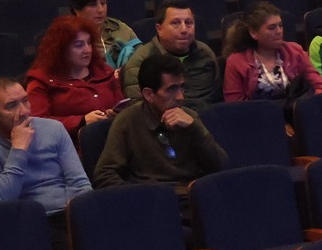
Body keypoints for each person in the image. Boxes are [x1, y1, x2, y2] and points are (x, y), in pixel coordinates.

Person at [0, 75, 92, 250]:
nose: (24, 111)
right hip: (25, 221)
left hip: (68, 213)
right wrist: (18, 149)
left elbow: (79, 183)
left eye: (25, 101)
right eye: (12, 106)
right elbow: (0, 200)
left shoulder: (54, 129)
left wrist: (78, 217)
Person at [92, 52, 227, 203]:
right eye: (171, 89)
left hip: (192, 199)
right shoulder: (128, 120)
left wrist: (195, 130)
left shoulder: (189, 118)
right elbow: (104, 175)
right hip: (151, 204)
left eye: (182, 87)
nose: (180, 97)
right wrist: (141, 197)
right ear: (149, 94)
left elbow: (221, 167)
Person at [25, 14, 125, 137]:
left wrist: (117, 114)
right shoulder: (41, 80)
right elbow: (37, 123)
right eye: (79, 45)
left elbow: (121, 105)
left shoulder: (104, 71)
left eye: (89, 43)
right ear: (61, 50)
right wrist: (81, 121)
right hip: (69, 146)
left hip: (112, 138)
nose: (87, 50)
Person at [120, 0, 221, 111]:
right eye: (175, 23)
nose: (184, 29)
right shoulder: (141, 62)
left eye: (189, 23)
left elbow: (218, 97)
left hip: (207, 122)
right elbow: (139, 111)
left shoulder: (205, 53)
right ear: (159, 29)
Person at [221, 1, 322, 105]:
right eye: (271, 28)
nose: (279, 31)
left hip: (297, 115)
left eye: (280, 25)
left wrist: (306, 107)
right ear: (253, 33)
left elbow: (321, 87)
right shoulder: (236, 62)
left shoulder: (295, 52)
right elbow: (235, 107)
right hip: (257, 119)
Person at [70, 0, 139, 73]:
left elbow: (141, 58)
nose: (100, 10)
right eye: (92, 5)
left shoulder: (120, 28)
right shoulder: (68, 35)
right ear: (77, 10)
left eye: (103, 3)